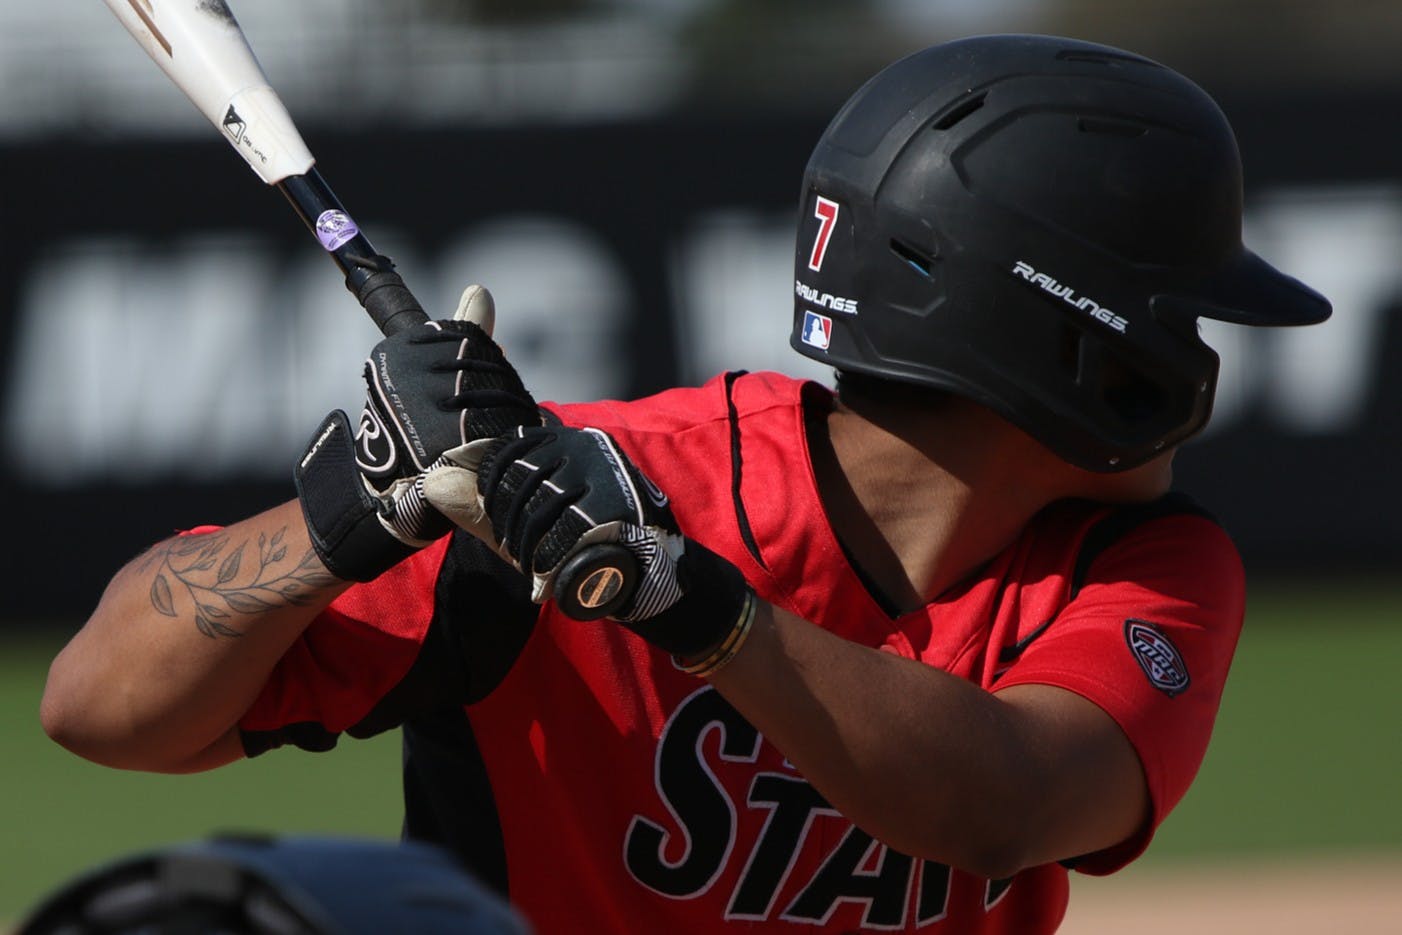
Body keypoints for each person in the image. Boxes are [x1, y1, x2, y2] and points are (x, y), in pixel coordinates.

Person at [41, 34, 1330, 934]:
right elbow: (99, 709)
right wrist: (345, 517)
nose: (1204, 360)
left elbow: (1006, 806)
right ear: (1079, 346)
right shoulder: (550, 505)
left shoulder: (1144, 565)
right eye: (1185, 322)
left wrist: (694, 609)